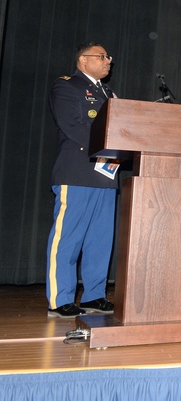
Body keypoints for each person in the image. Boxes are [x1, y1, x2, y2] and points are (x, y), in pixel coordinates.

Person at [45, 42, 119, 318]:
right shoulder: (67, 86)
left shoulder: (109, 92)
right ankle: (60, 297)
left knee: (100, 241)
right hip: (77, 172)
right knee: (68, 239)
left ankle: (94, 295)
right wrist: (110, 146)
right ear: (83, 60)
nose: (108, 61)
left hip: (106, 174)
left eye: (108, 57)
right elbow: (73, 125)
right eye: (102, 56)